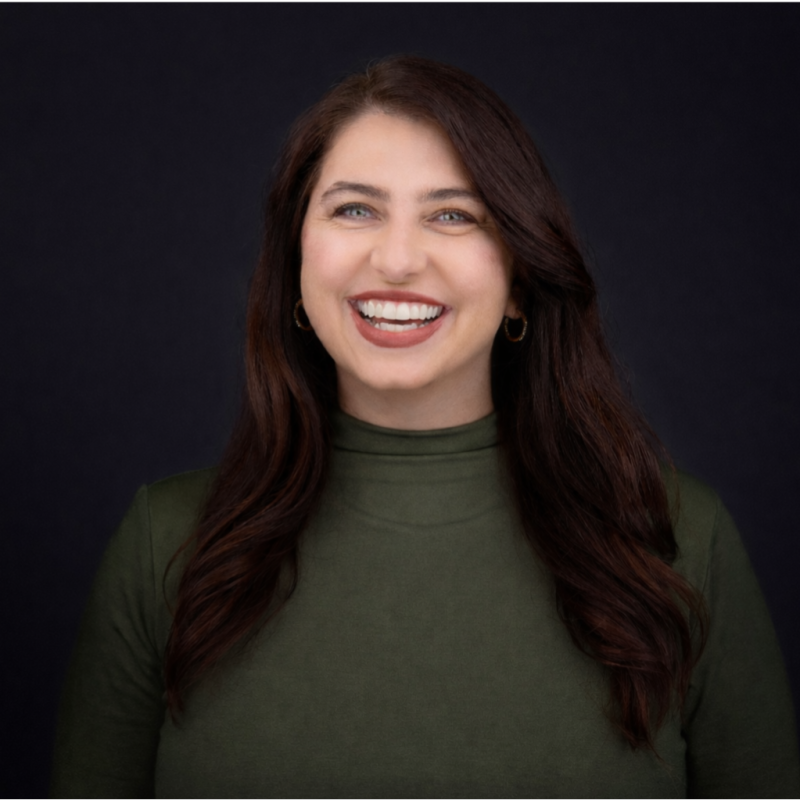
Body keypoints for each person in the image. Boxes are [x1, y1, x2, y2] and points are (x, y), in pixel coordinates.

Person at [50, 55, 799, 799]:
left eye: (453, 214)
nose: (399, 258)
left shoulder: (677, 542)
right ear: (295, 267)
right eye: (354, 209)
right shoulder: (165, 546)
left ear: (520, 277)